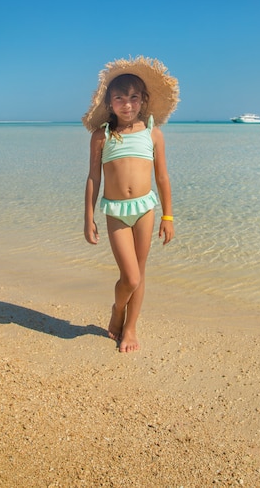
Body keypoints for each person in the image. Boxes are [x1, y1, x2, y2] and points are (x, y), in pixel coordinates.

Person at [82, 56, 179, 353]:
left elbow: (162, 177)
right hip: (116, 211)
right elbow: (93, 178)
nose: (127, 104)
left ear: (143, 101)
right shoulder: (103, 135)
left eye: (134, 98)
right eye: (120, 98)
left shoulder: (153, 133)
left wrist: (168, 216)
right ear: (110, 103)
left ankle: (131, 327)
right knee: (130, 276)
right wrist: (88, 217)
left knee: (141, 272)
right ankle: (117, 310)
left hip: (145, 209)